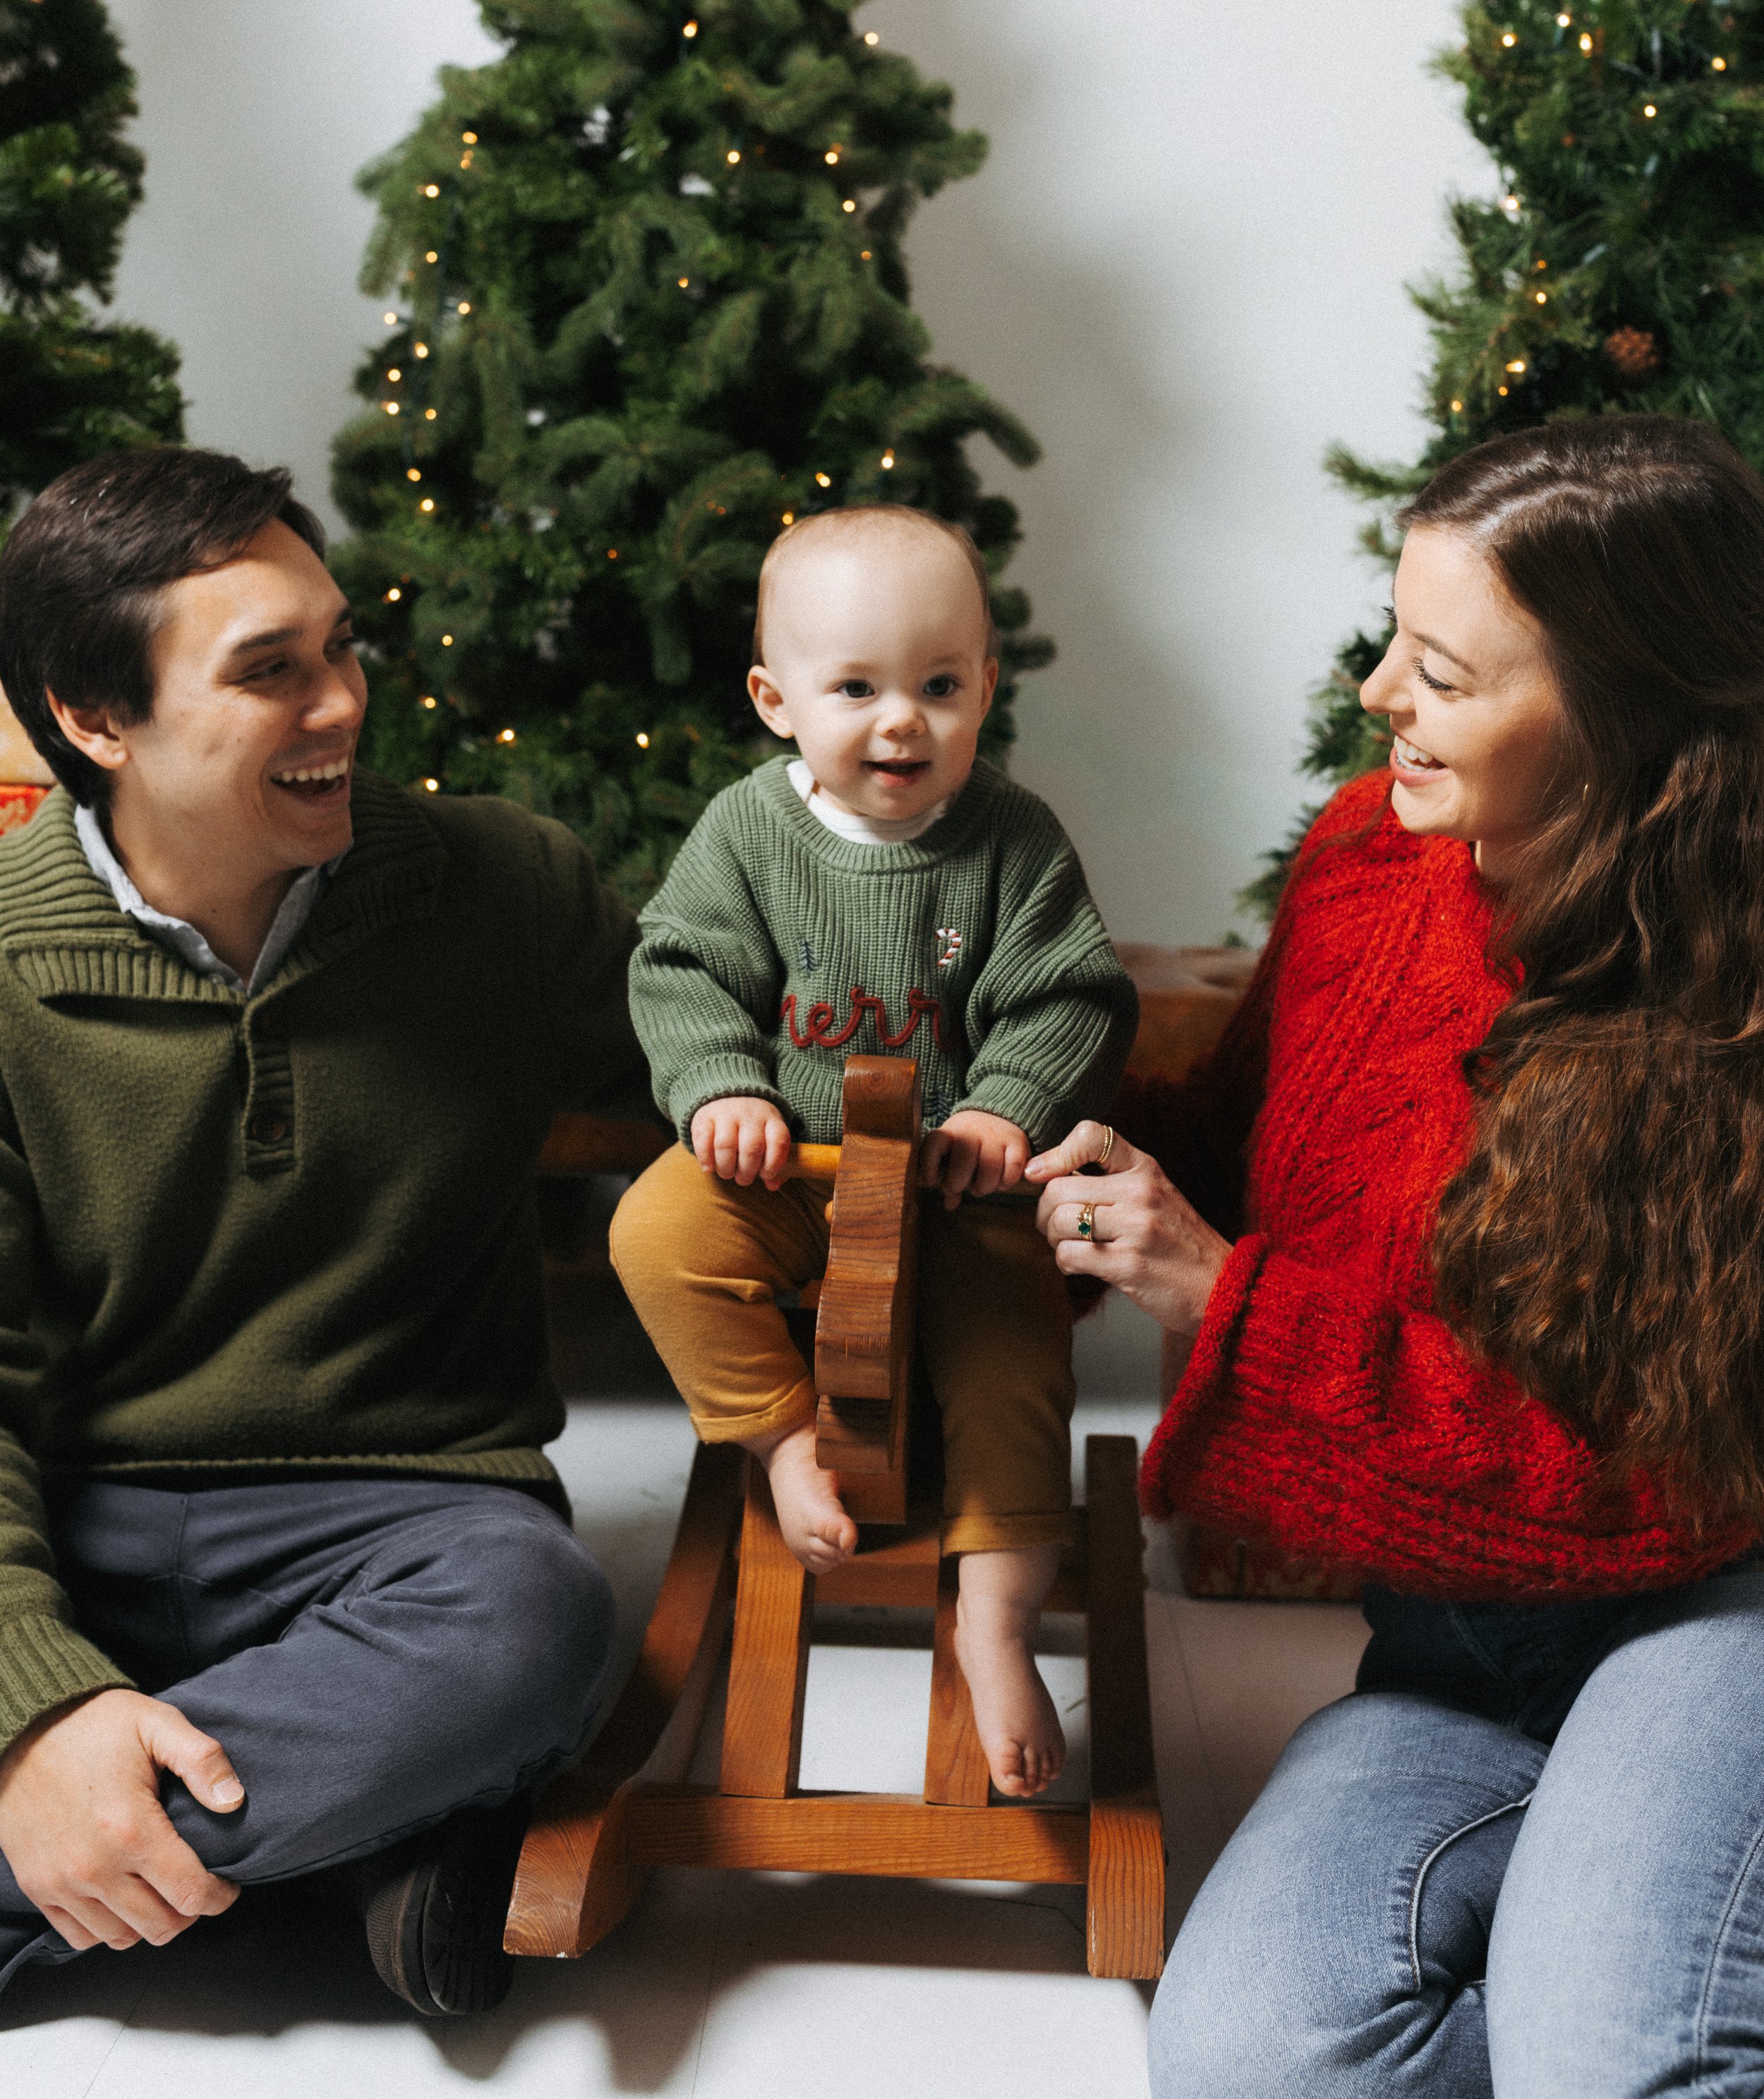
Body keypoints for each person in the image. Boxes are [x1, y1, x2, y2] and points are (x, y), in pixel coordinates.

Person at [1025, 415, 1764, 2094]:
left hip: (1717, 1611)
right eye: (1388, 637)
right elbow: (1246, 1152)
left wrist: (1223, 1305)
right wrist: (1027, 1142)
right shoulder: (1370, 853)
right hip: (1460, 1654)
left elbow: (1636, 1487)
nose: (1374, 695)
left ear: (1617, 719)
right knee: (1252, 2063)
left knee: (1614, 2063)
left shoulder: (1731, 1004)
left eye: (1437, 669)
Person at [0, 446, 646, 2019]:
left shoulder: (508, 890)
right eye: (271, 672)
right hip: (76, 1524)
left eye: (341, 645)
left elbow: (739, 1074)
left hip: (398, 1528)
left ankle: (91, 1865)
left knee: (535, 1623)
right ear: (95, 722)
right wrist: (36, 1709)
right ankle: (359, 1850)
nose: (343, 703)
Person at [610, 505, 1137, 1798]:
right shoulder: (747, 833)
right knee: (657, 1236)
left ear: (985, 691)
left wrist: (1003, 1107)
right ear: (775, 698)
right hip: (788, 1173)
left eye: (940, 686)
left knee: (1015, 1353)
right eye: (857, 687)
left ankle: (998, 1614)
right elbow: (679, 970)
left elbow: (1070, 994)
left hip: (957, 1190)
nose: (902, 721)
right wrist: (722, 1087)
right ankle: (783, 1440)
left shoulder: (1011, 842)